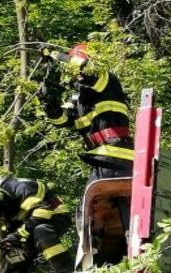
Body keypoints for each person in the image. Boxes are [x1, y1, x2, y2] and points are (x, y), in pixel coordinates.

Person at [39, 43, 135, 184]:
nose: (76, 73)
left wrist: (56, 55)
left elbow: (86, 69)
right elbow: (63, 121)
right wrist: (51, 108)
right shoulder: (79, 98)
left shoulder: (107, 80)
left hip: (116, 152)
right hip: (101, 156)